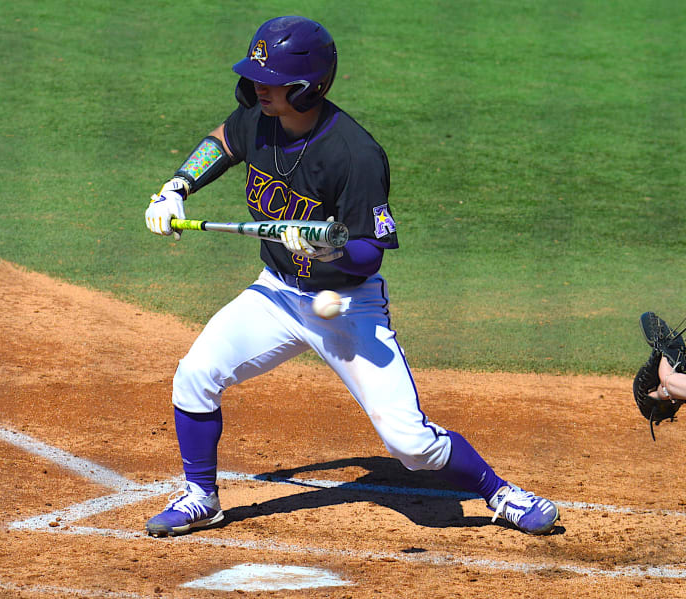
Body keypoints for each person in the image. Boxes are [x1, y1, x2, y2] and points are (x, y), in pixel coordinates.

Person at [143, 15, 560, 537]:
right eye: (254, 77)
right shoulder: (259, 117)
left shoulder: (355, 155)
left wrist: (322, 254)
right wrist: (177, 186)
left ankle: (502, 494)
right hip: (275, 296)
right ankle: (201, 497)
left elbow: (370, 254)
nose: (256, 88)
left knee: (410, 445)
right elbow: (224, 140)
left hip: (347, 306)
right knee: (195, 375)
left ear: (308, 86)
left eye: (270, 80)